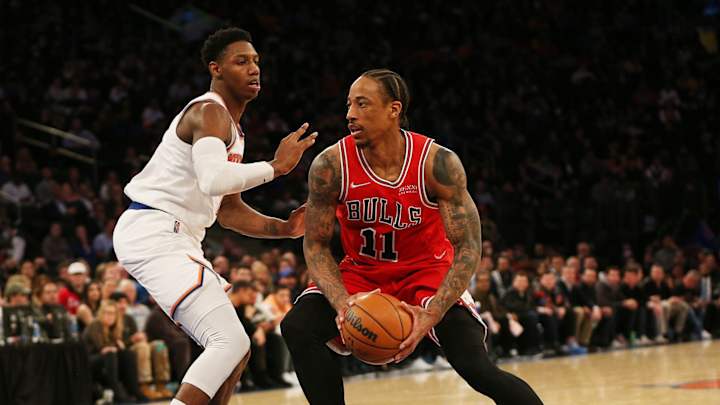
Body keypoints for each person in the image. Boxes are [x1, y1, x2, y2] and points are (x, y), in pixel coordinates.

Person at [281, 69, 542, 405]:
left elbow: (468, 246)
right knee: (298, 327)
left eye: (362, 104)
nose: (350, 114)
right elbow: (316, 245)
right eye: (348, 105)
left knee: (475, 366)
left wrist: (432, 313)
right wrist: (342, 301)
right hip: (363, 273)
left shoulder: (437, 163)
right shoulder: (330, 165)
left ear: (394, 109)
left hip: (427, 273)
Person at [113, 27, 316, 405]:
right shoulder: (209, 111)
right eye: (241, 61)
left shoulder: (233, 131)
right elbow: (211, 180)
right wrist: (276, 167)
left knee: (236, 352)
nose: (254, 68)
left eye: (256, 61)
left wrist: (285, 229)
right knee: (229, 342)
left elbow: (229, 211)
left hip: (174, 234)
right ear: (216, 68)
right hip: (156, 228)